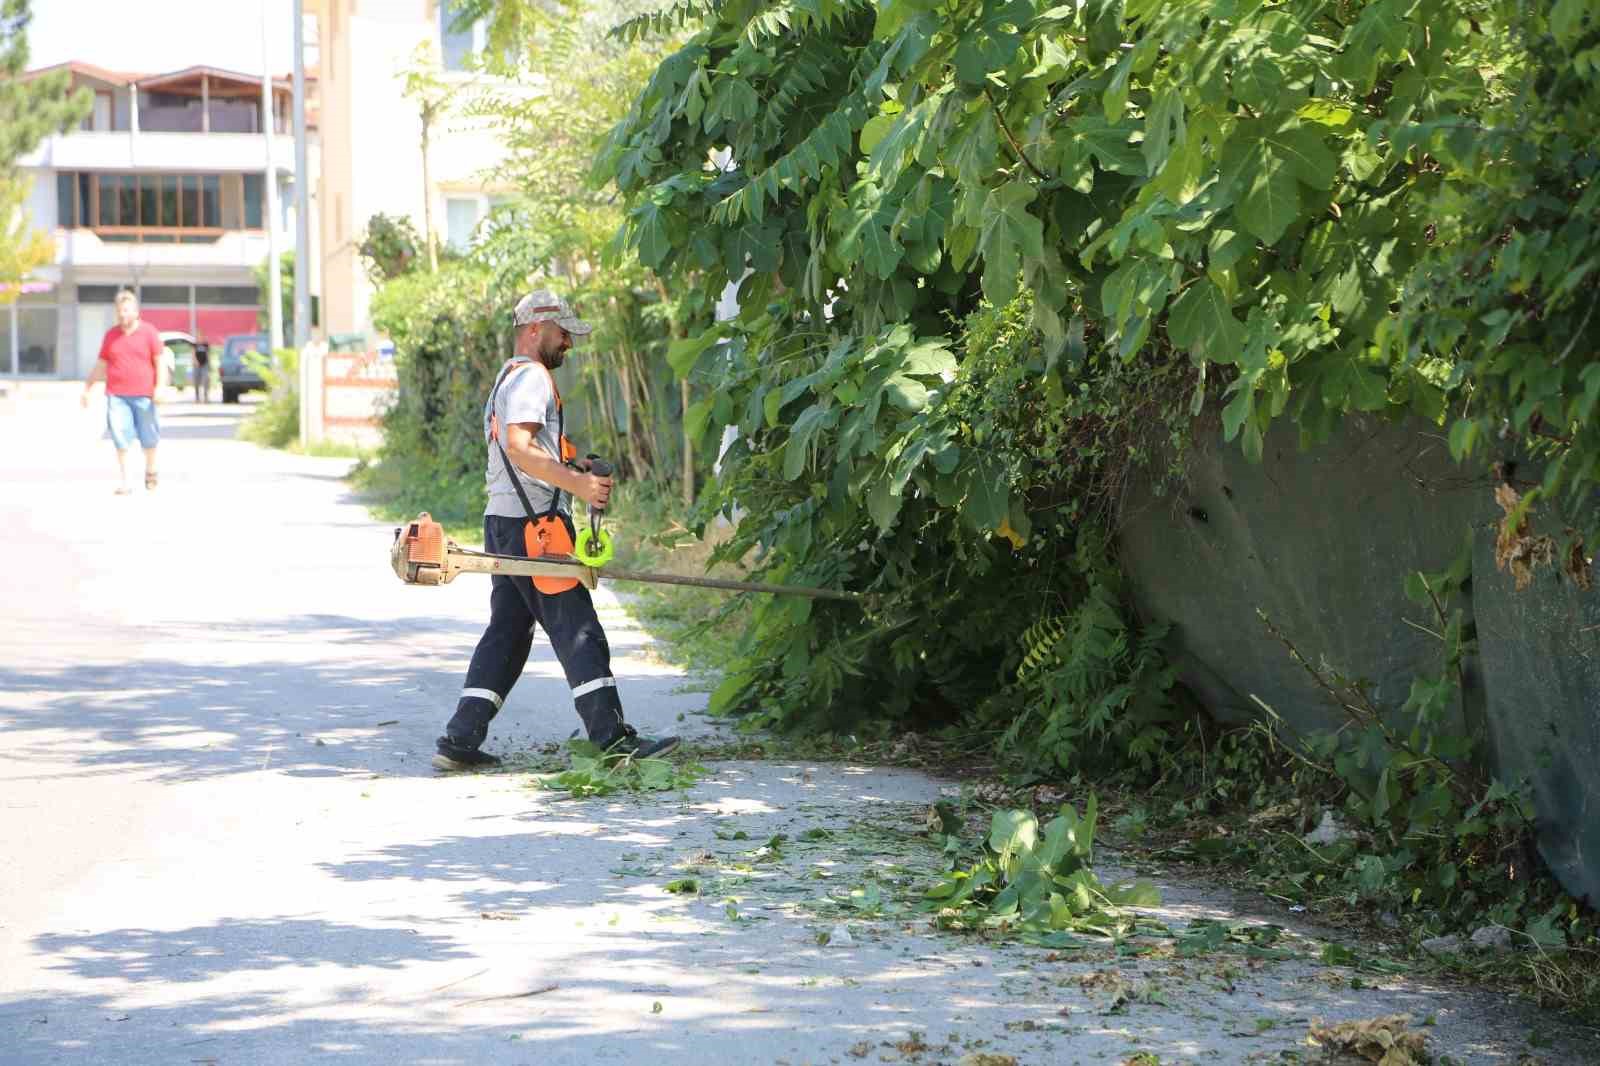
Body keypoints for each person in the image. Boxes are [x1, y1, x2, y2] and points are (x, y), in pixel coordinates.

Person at [433, 289, 679, 771]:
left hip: (504, 521)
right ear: (534, 329)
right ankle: (612, 740)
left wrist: (570, 463)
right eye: (562, 332)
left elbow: (525, 453)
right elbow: (521, 447)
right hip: (535, 528)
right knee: (578, 629)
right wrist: (580, 485)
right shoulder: (533, 377)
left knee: (507, 631)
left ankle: (460, 738)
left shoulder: (508, 377)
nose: (568, 341)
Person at [81, 290, 163, 494]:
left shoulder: (149, 332)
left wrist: (160, 387)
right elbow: (101, 364)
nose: (122, 315)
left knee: (149, 436)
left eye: (126, 311)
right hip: (117, 395)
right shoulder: (111, 335)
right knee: (120, 436)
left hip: (144, 394)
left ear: (136, 311)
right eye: (119, 311)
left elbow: (159, 361)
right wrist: (88, 388)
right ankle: (126, 482)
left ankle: (151, 469)